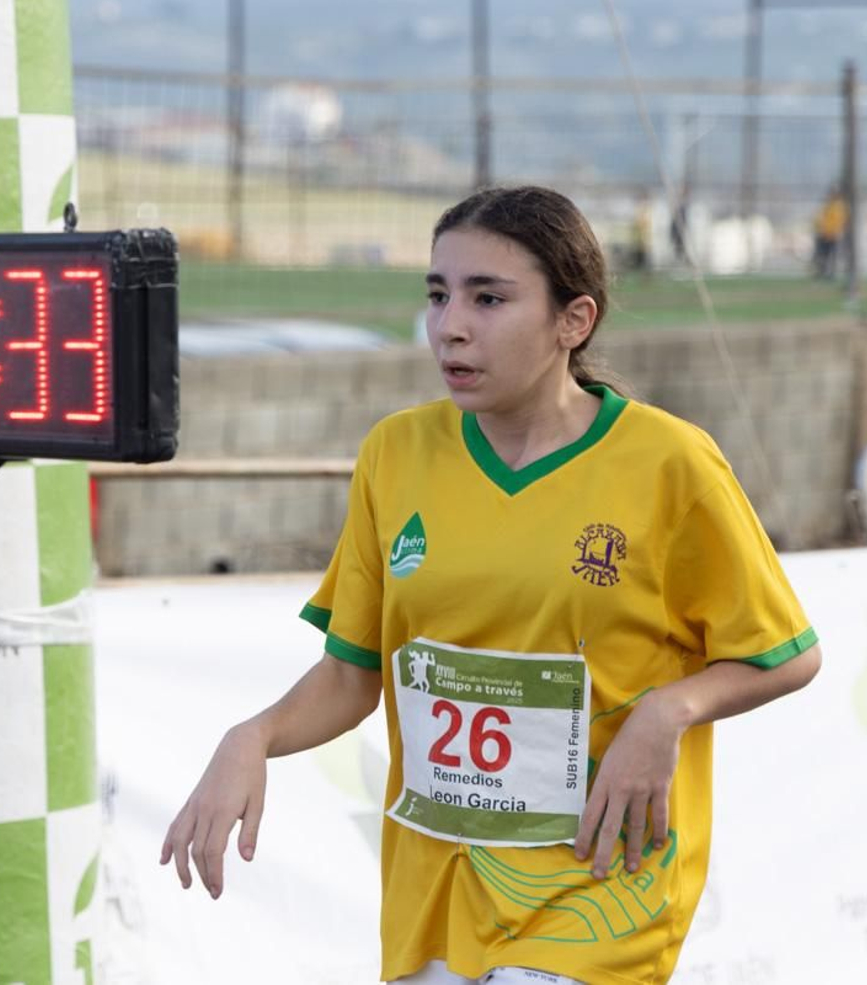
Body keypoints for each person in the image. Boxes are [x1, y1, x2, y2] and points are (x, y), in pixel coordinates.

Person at [161, 185, 822, 985]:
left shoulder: (671, 463)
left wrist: (669, 710)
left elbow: (786, 653)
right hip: (437, 890)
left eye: (488, 298)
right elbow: (352, 673)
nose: (451, 325)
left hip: (598, 888)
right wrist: (254, 735)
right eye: (438, 294)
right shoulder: (394, 454)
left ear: (573, 320)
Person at [811, 186, 847, 280]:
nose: (830, 195)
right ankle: (821, 272)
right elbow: (821, 219)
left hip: (832, 235)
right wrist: (820, 229)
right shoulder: (828, 205)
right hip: (824, 234)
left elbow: (839, 222)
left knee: (831, 256)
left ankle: (830, 274)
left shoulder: (838, 206)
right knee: (823, 255)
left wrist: (832, 232)